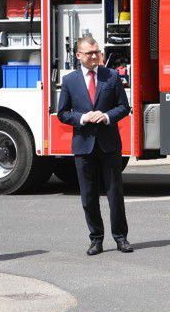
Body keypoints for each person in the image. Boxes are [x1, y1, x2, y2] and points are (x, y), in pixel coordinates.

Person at [57, 35, 133, 255]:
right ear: (78, 55)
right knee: (88, 196)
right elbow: (63, 113)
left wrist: (106, 116)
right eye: (89, 53)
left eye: (97, 52)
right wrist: (82, 118)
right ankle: (96, 239)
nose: (94, 56)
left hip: (109, 144)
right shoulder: (70, 80)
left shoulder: (111, 76)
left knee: (114, 194)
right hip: (84, 146)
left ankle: (121, 238)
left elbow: (124, 107)